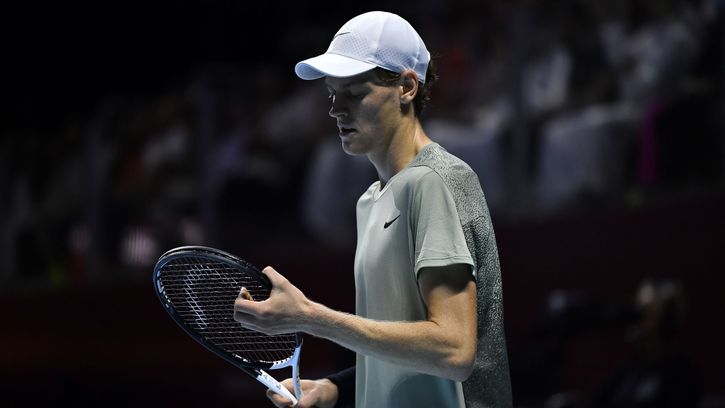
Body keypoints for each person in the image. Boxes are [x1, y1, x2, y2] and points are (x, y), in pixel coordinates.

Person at [233, 11, 513, 408]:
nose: (336, 110)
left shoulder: (435, 181)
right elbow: (405, 344)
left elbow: (453, 349)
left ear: (406, 87)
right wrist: (335, 387)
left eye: (355, 93)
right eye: (332, 94)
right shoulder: (370, 201)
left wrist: (309, 316)